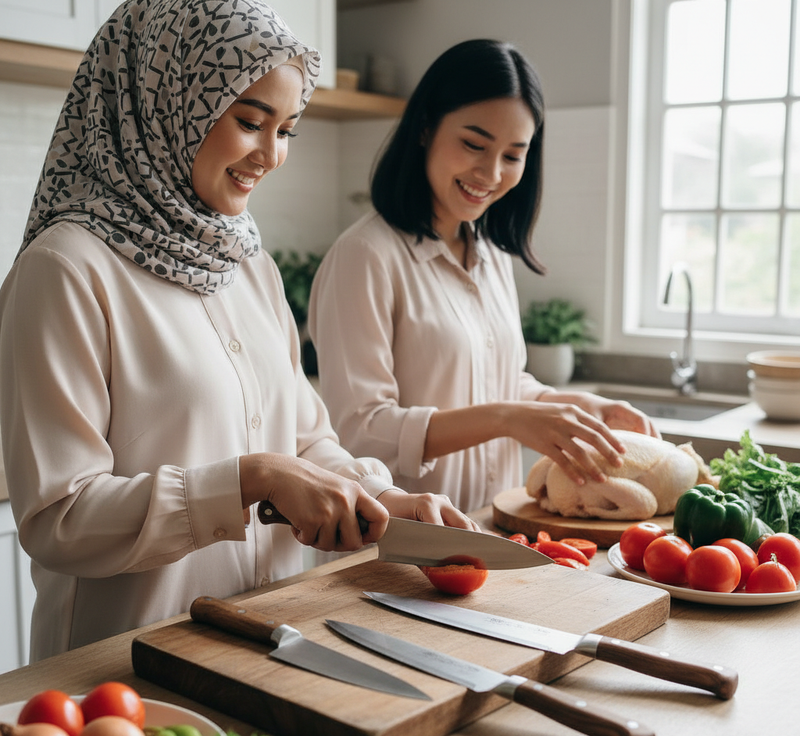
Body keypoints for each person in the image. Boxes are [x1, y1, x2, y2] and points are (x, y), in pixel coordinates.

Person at [0, 0, 476, 662]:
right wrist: (248, 480)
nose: (271, 155)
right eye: (251, 122)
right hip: (125, 673)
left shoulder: (246, 260)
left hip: (269, 645)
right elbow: (61, 519)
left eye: (288, 130)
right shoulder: (64, 269)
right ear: (165, 102)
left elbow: (305, 438)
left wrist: (382, 497)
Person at [308, 39, 659, 513]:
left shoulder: (490, 253)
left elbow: (496, 382)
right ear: (426, 128)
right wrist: (506, 419)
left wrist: (570, 408)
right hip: (396, 546)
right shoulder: (364, 256)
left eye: (513, 155)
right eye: (473, 144)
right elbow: (358, 430)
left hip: (488, 530)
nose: (491, 173)